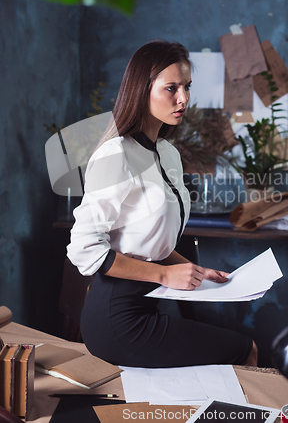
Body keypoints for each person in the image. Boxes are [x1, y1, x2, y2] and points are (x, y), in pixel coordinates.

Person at [67, 39, 258, 368]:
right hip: (115, 317)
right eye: (171, 88)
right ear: (142, 89)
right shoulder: (117, 154)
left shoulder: (167, 153)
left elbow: (147, 239)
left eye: (186, 87)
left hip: (147, 304)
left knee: (238, 351)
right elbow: (84, 249)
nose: (183, 98)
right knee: (246, 350)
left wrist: (195, 271)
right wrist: (165, 276)